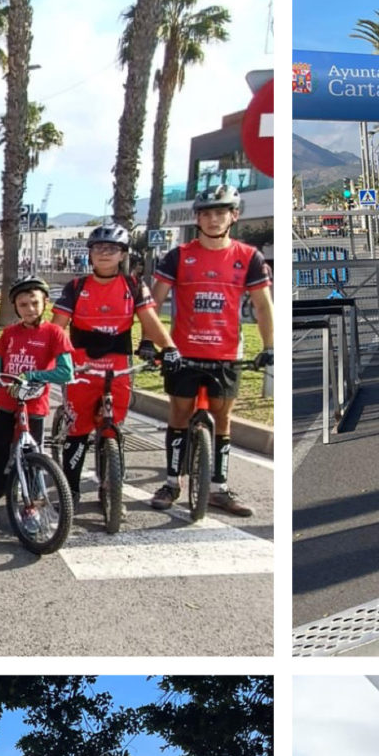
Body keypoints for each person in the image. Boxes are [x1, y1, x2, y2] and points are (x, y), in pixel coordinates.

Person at [147, 186, 275, 516]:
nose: (214, 219)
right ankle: (172, 482)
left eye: (221, 213)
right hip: (183, 353)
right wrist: (151, 342)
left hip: (226, 354)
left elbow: (262, 306)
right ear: (197, 218)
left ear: (234, 215)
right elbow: (154, 303)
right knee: (178, 415)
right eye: (206, 213)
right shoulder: (177, 256)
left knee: (222, 418)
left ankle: (219, 488)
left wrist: (270, 347)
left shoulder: (249, 258)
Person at [52, 225, 170, 497]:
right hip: (82, 367)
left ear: (123, 255)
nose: (105, 253)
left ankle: (110, 486)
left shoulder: (133, 286)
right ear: (90, 254)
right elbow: (57, 328)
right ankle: (70, 490)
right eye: (98, 248)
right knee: (78, 429)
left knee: (111, 427)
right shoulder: (76, 287)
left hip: (118, 367)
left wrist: (170, 348)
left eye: (112, 249)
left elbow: (150, 322)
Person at [0, 278, 73, 540]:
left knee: (33, 461)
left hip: (35, 408)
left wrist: (32, 375)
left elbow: (65, 371)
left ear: (44, 304)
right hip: (7, 407)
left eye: (34, 303)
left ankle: (31, 509)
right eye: (23, 305)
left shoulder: (54, 333)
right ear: (15, 308)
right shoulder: (9, 334)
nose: (29, 308)